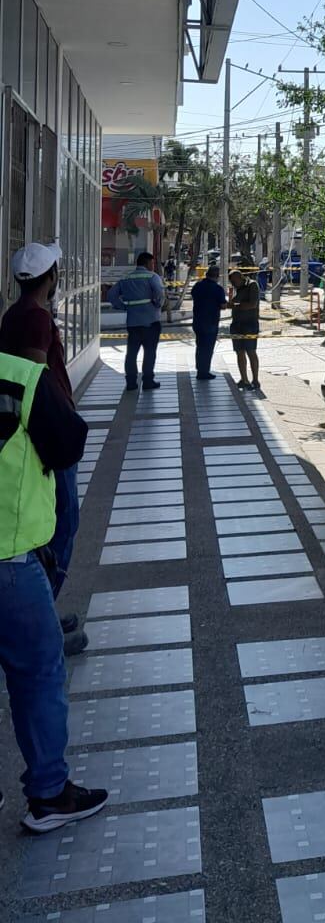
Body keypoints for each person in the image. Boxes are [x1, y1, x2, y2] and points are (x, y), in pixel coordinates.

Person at [0, 339, 108, 831]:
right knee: (38, 676)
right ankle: (48, 794)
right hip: (11, 562)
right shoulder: (21, 377)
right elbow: (68, 445)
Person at [0, 243, 88, 655]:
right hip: (44, 430)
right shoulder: (35, 318)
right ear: (51, 277)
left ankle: (43, 614)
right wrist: (62, 422)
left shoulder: (14, 314)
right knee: (63, 522)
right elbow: (35, 375)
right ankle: (42, 620)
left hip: (27, 430)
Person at [107, 251, 164, 393]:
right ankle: (148, 381)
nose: (153, 266)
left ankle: (131, 382)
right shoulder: (152, 277)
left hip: (132, 322)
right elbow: (159, 293)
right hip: (151, 321)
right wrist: (157, 305)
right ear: (147, 263)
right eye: (152, 263)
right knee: (150, 352)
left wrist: (123, 306)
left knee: (132, 353)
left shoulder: (126, 278)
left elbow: (111, 295)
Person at [190, 266, 226, 381]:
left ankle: (200, 369)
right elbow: (223, 305)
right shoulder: (218, 289)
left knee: (200, 346)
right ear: (217, 276)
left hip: (198, 321)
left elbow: (193, 296)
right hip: (211, 322)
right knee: (208, 348)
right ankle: (204, 372)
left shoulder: (198, 286)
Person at [228, 267, 261, 391]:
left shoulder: (252, 285)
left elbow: (252, 304)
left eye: (234, 281)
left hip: (249, 324)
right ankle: (244, 379)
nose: (233, 284)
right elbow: (232, 302)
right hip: (236, 324)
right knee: (239, 352)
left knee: (251, 351)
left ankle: (255, 380)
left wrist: (236, 306)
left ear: (240, 277)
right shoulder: (236, 288)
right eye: (231, 282)